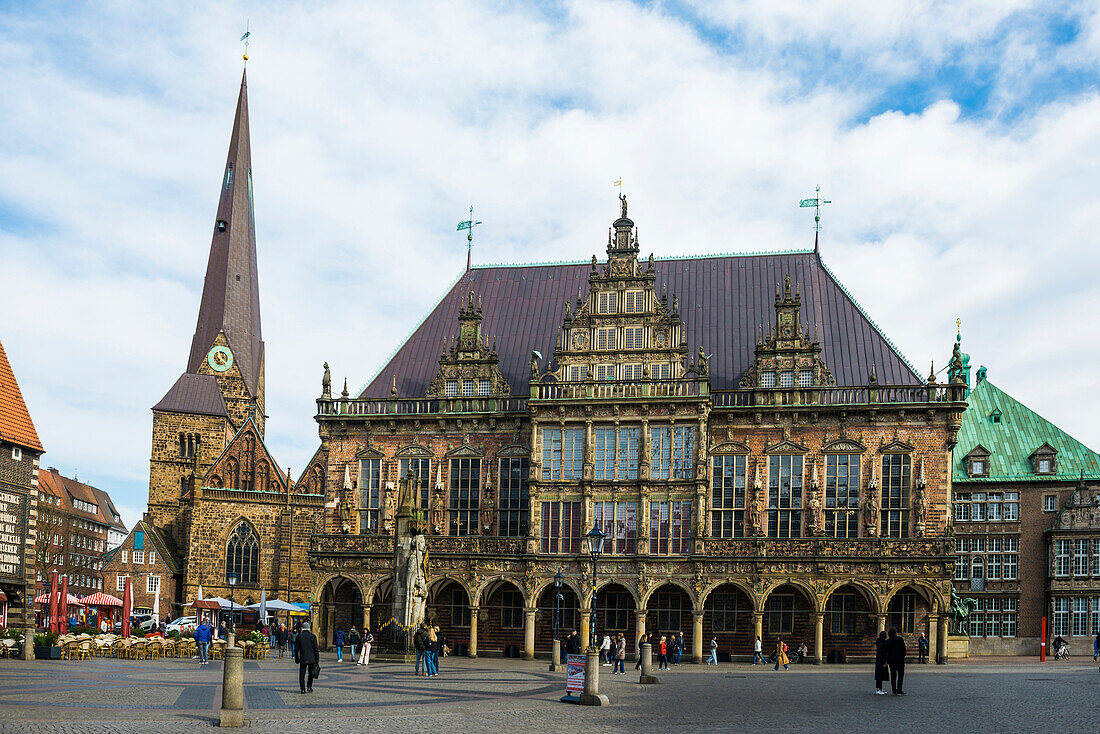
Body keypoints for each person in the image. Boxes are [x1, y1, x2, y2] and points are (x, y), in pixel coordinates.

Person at [295, 621, 321, 694]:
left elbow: (296, 649)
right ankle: (309, 687)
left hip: (303, 658)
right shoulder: (313, 636)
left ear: (302, 628)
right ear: (309, 628)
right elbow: (316, 649)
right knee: (310, 673)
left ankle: (302, 689)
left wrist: (297, 659)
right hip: (311, 658)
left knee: (302, 674)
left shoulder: (299, 636)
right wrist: (317, 659)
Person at [886, 627, 906, 695]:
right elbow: (903, 648)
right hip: (900, 660)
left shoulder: (888, 641)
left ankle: (894, 690)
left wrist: (887, 659)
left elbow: (886, 651)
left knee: (893, 675)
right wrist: (903, 656)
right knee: (900, 675)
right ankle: (899, 689)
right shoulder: (899, 639)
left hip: (892, 660)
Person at [874, 630, 889, 694]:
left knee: (880, 675)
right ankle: (878, 689)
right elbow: (881, 653)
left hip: (879, 661)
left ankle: (880, 689)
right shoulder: (882, 643)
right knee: (879, 675)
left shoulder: (880, 642)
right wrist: (884, 662)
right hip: (881, 661)